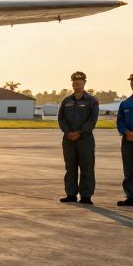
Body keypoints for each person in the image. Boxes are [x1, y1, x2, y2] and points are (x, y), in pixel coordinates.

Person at [58, 72, 98, 205]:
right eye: (74, 81)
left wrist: (79, 133)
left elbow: (92, 120)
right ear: (72, 83)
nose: (77, 83)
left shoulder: (91, 101)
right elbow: (61, 118)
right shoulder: (66, 101)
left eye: (80, 81)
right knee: (70, 168)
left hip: (85, 139)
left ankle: (86, 196)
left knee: (87, 168)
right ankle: (71, 194)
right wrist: (68, 132)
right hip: (68, 139)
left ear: (84, 83)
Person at [117, 72, 133, 207]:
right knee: (129, 170)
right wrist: (126, 132)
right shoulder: (125, 103)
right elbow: (120, 121)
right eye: (132, 82)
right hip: (127, 140)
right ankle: (131, 197)